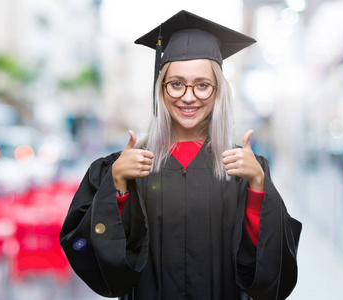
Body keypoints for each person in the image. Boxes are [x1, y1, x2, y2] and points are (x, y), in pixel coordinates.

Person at [60, 10, 302, 300]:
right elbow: (96, 258)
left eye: (202, 84)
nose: (189, 96)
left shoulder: (244, 168)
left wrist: (258, 189)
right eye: (176, 83)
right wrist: (117, 186)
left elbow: (270, 270)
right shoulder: (124, 167)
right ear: (160, 89)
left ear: (218, 91)